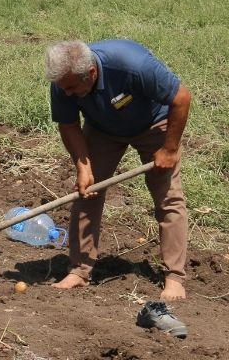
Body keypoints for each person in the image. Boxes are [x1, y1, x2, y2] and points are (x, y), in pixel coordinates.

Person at [45, 39, 191, 301]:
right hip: (102, 129)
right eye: (62, 88)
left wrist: (169, 149)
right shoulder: (62, 83)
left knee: (168, 197)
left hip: (153, 123)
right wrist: (83, 165)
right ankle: (79, 270)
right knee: (87, 191)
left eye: (71, 88)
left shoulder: (131, 65)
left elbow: (181, 98)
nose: (66, 94)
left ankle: (175, 278)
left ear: (90, 74)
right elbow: (68, 125)